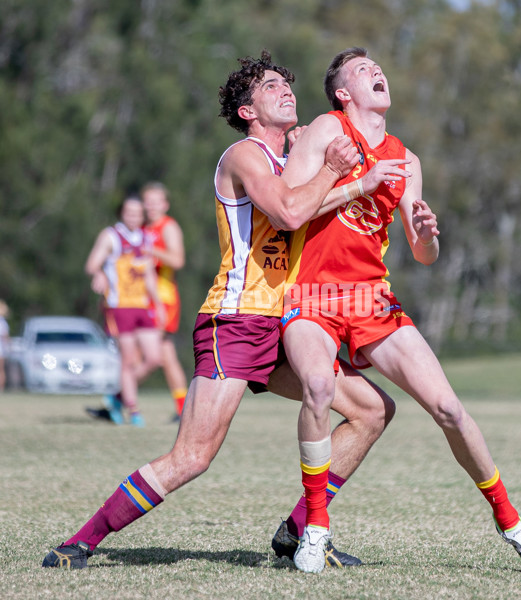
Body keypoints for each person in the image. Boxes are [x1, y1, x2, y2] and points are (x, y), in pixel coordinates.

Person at [42, 51, 399, 570]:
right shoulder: (245, 156)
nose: (286, 91)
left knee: (372, 411)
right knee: (193, 457)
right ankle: (81, 541)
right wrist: (340, 172)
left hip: (287, 321)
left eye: (287, 84)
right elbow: (291, 211)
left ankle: (303, 530)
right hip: (235, 321)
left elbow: (312, 209)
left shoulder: (292, 160)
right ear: (247, 109)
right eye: (271, 86)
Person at [278, 47, 521, 574]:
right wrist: (357, 184)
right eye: (362, 70)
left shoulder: (408, 162)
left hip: (371, 297)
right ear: (343, 93)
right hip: (311, 293)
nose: (376, 71)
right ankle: (315, 529)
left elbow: (424, 255)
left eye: (378, 66)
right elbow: (288, 211)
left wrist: (427, 236)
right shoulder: (323, 130)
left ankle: (515, 526)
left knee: (449, 409)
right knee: (317, 387)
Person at [84, 195, 165, 427]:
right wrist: (98, 274)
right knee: (128, 361)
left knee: (153, 358)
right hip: (119, 306)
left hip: (142, 305)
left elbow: (148, 273)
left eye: (138, 213)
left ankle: (117, 397)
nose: (134, 216)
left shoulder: (145, 238)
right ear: (122, 213)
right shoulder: (110, 236)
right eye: (129, 212)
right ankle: (134, 410)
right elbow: (92, 264)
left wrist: (157, 303)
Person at [142, 181, 188, 418]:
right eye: (147, 201)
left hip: (163, 297)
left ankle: (116, 399)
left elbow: (178, 260)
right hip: (141, 297)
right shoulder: (140, 228)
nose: (150, 206)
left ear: (165, 204)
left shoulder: (168, 227)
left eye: (155, 201)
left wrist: (151, 251)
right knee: (166, 356)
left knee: (145, 353)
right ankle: (184, 409)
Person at [0, 300, 9, 392]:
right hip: (1, 350)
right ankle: (1, 388)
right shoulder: (3, 323)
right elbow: (5, 337)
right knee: (1, 370)